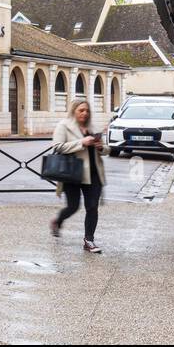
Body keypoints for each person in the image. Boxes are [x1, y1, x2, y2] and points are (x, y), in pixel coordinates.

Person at [49, 98, 107, 253]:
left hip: (94, 174)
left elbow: (108, 150)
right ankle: (57, 221)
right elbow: (57, 147)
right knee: (73, 206)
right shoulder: (64, 126)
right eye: (81, 110)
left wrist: (101, 147)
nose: (85, 113)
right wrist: (82, 142)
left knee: (92, 207)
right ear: (74, 110)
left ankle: (89, 240)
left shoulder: (93, 127)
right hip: (73, 173)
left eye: (87, 110)